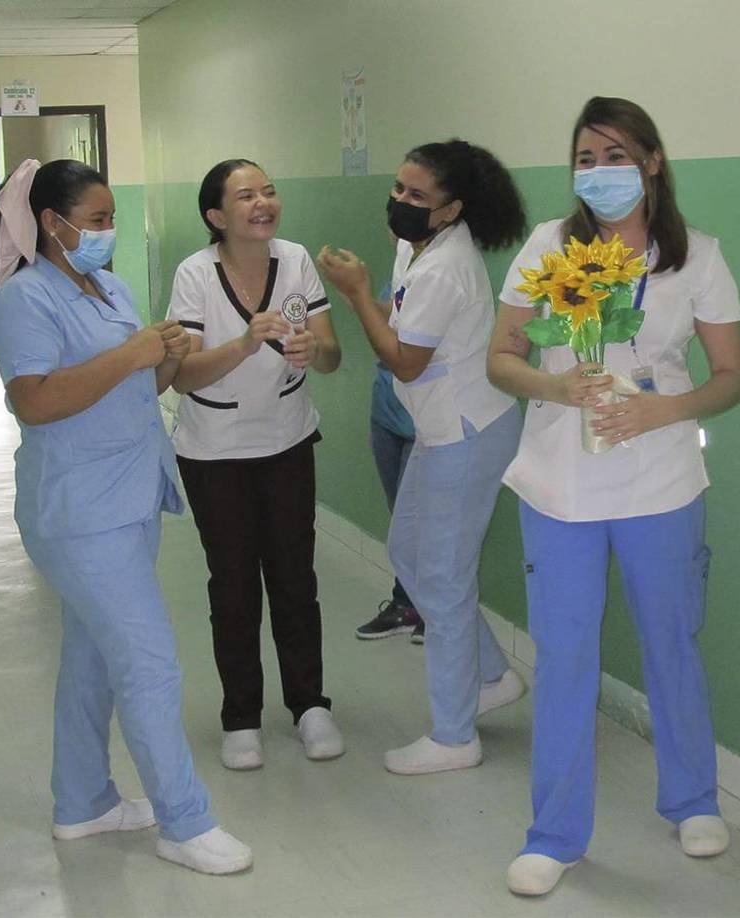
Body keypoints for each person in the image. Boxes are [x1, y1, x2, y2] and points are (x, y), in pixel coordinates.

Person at [487, 97, 740, 897]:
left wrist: (665, 409)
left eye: (616, 156)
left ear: (652, 162)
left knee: (671, 640)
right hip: (559, 483)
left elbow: (731, 378)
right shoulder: (548, 245)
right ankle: (555, 835)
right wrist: (556, 387)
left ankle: (693, 800)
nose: (599, 172)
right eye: (586, 158)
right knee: (565, 655)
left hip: (661, 480)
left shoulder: (697, 257)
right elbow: (502, 357)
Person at [0, 159, 252, 875]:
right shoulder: (22, 301)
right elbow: (35, 401)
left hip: (131, 496)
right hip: (79, 512)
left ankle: (83, 802)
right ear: (51, 224)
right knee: (149, 662)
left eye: (111, 218)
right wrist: (132, 352)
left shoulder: (111, 288)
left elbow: (137, 386)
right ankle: (185, 822)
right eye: (96, 221)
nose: (108, 232)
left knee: (92, 660)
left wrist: (166, 357)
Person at [317, 139, 528, 776]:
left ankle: (455, 735)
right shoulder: (418, 246)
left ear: (451, 209)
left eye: (417, 195)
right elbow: (407, 321)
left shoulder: (446, 266)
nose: (400, 201)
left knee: (442, 575)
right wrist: (368, 297)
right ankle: (491, 677)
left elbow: (404, 359)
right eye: (398, 187)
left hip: (466, 433)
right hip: (441, 430)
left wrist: (356, 295)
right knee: (411, 554)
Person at [167, 159, 344, 772]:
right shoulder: (195, 274)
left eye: (269, 191)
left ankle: (310, 705)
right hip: (215, 451)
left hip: (287, 440)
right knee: (234, 585)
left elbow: (332, 356)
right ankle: (241, 717)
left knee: (296, 579)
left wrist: (315, 348)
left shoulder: (295, 260)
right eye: (246, 196)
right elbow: (183, 376)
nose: (263, 203)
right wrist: (245, 342)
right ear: (217, 216)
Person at [355, 342, 423, 643]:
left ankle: (431, 610)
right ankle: (406, 605)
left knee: (419, 522)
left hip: (426, 417)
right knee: (400, 519)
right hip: (386, 410)